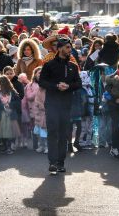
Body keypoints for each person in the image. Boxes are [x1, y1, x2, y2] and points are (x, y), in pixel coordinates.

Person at [38, 37, 81, 174]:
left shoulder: (73, 66)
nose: (70, 50)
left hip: (66, 104)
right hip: (52, 104)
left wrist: (68, 86)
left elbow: (78, 84)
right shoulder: (49, 65)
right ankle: (52, 162)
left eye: (70, 47)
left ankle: (61, 162)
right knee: (53, 132)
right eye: (68, 47)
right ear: (60, 48)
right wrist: (56, 86)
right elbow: (42, 82)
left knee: (63, 134)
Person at [0, 75, 22, 154]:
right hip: (1, 114)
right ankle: (5, 146)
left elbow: (18, 102)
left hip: (11, 114)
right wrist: (3, 106)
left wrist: (9, 105)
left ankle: (10, 147)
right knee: (2, 131)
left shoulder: (12, 92)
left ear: (3, 83)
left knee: (10, 131)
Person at [25, 67, 48, 153]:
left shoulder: (46, 85)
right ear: (35, 74)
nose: (40, 74)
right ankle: (40, 146)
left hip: (44, 110)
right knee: (37, 132)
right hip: (35, 110)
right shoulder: (30, 85)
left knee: (45, 131)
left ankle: (46, 146)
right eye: (38, 73)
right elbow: (29, 97)